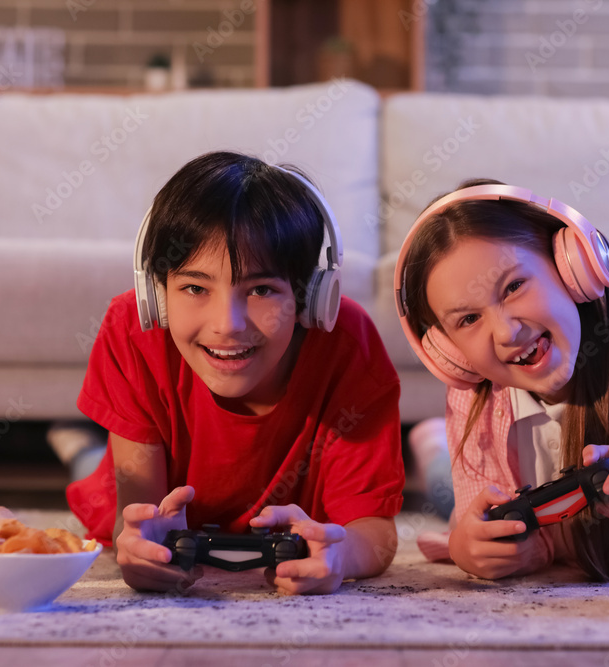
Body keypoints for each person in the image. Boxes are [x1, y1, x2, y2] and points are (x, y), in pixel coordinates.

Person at [67, 151, 404, 595]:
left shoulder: (348, 342)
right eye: (194, 288)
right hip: (130, 470)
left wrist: (339, 555)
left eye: (262, 289)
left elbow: (376, 537)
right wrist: (140, 548)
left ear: (310, 299)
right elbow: (135, 521)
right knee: (93, 468)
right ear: (158, 296)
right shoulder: (131, 328)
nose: (228, 324)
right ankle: (75, 447)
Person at [394, 180, 609, 581]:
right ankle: (433, 446)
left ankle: (432, 444)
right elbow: (473, 525)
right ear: (452, 354)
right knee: (447, 491)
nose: (505, 332)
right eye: (468, 319)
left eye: (513, 286)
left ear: (571, 268)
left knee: (443, 476)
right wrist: (466, 546)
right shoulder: (474, 396)